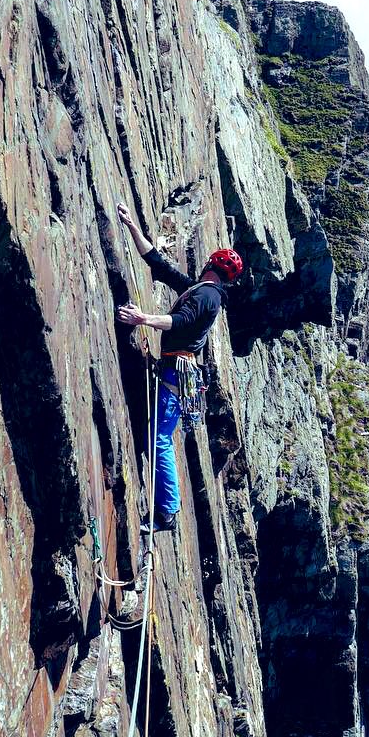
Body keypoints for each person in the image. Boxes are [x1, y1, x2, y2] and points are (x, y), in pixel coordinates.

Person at [115, 203, 244, 533]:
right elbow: (159, 264)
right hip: (175, 371)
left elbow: (180, 321)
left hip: (177, 374)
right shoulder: (201, 290)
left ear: (210, 264)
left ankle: (168, 512)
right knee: (156, 436)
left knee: (159, 438)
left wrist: (143, 318)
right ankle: (165, 506)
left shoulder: (207, 297)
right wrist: (132, 226)